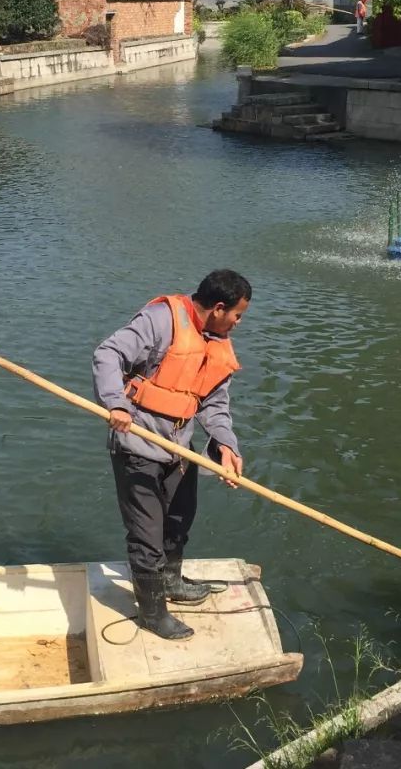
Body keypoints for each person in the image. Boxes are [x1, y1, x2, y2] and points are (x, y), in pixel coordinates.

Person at [92, 270, 251, 641]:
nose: (239, 323)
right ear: (218, 308)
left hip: (179, 449)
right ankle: (151, 613)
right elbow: (107, 354)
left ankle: (171, 581)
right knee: (147, 535)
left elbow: (215, 406)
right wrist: (114, 403)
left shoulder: (216, 341)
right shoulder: (161, 320)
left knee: (179, 519)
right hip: (138, 445)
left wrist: (227, 446)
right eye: (237, 315)